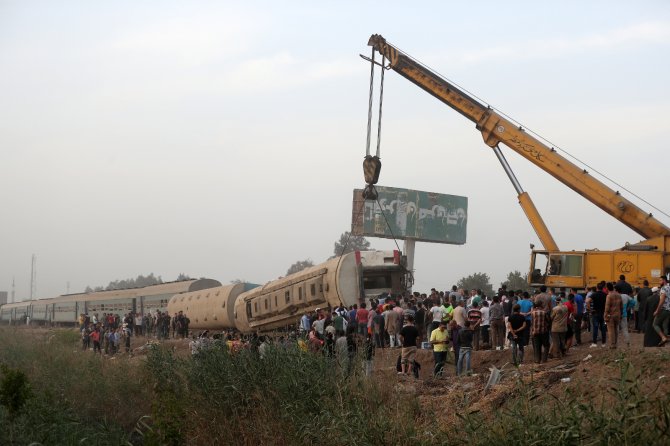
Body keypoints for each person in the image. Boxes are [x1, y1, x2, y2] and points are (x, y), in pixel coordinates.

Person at [604, 282, 623, 349]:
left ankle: (612, 344)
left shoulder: (609, 296)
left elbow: (607, 307)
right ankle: (615, 343)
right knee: (615, 329)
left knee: (611, 330)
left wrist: (605, 315)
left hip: (610, 315)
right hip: (617, 315)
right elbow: (621, 306)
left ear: (607, 288)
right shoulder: (618, 295)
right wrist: (621, 314)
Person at [653, 276, 670, 346]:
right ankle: (664, 343)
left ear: (664, 280)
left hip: (663, 309)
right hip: (669, 310)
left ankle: (663, 338)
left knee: (655, 324)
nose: (659, 282)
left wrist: (657, 310)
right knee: (665, 325)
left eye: (660, 280)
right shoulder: (669, 287)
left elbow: (662, 300)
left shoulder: (663, 288)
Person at [590, 283, 608, 347]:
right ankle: (603, 343)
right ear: (603, 288)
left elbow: (587, 301)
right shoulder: (605, 295)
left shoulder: (594, 294)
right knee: (603, 328)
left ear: (597, 288)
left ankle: (594, 343)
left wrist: (590, 309)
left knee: (595, 328)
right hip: (603, 314)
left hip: (595, 313)